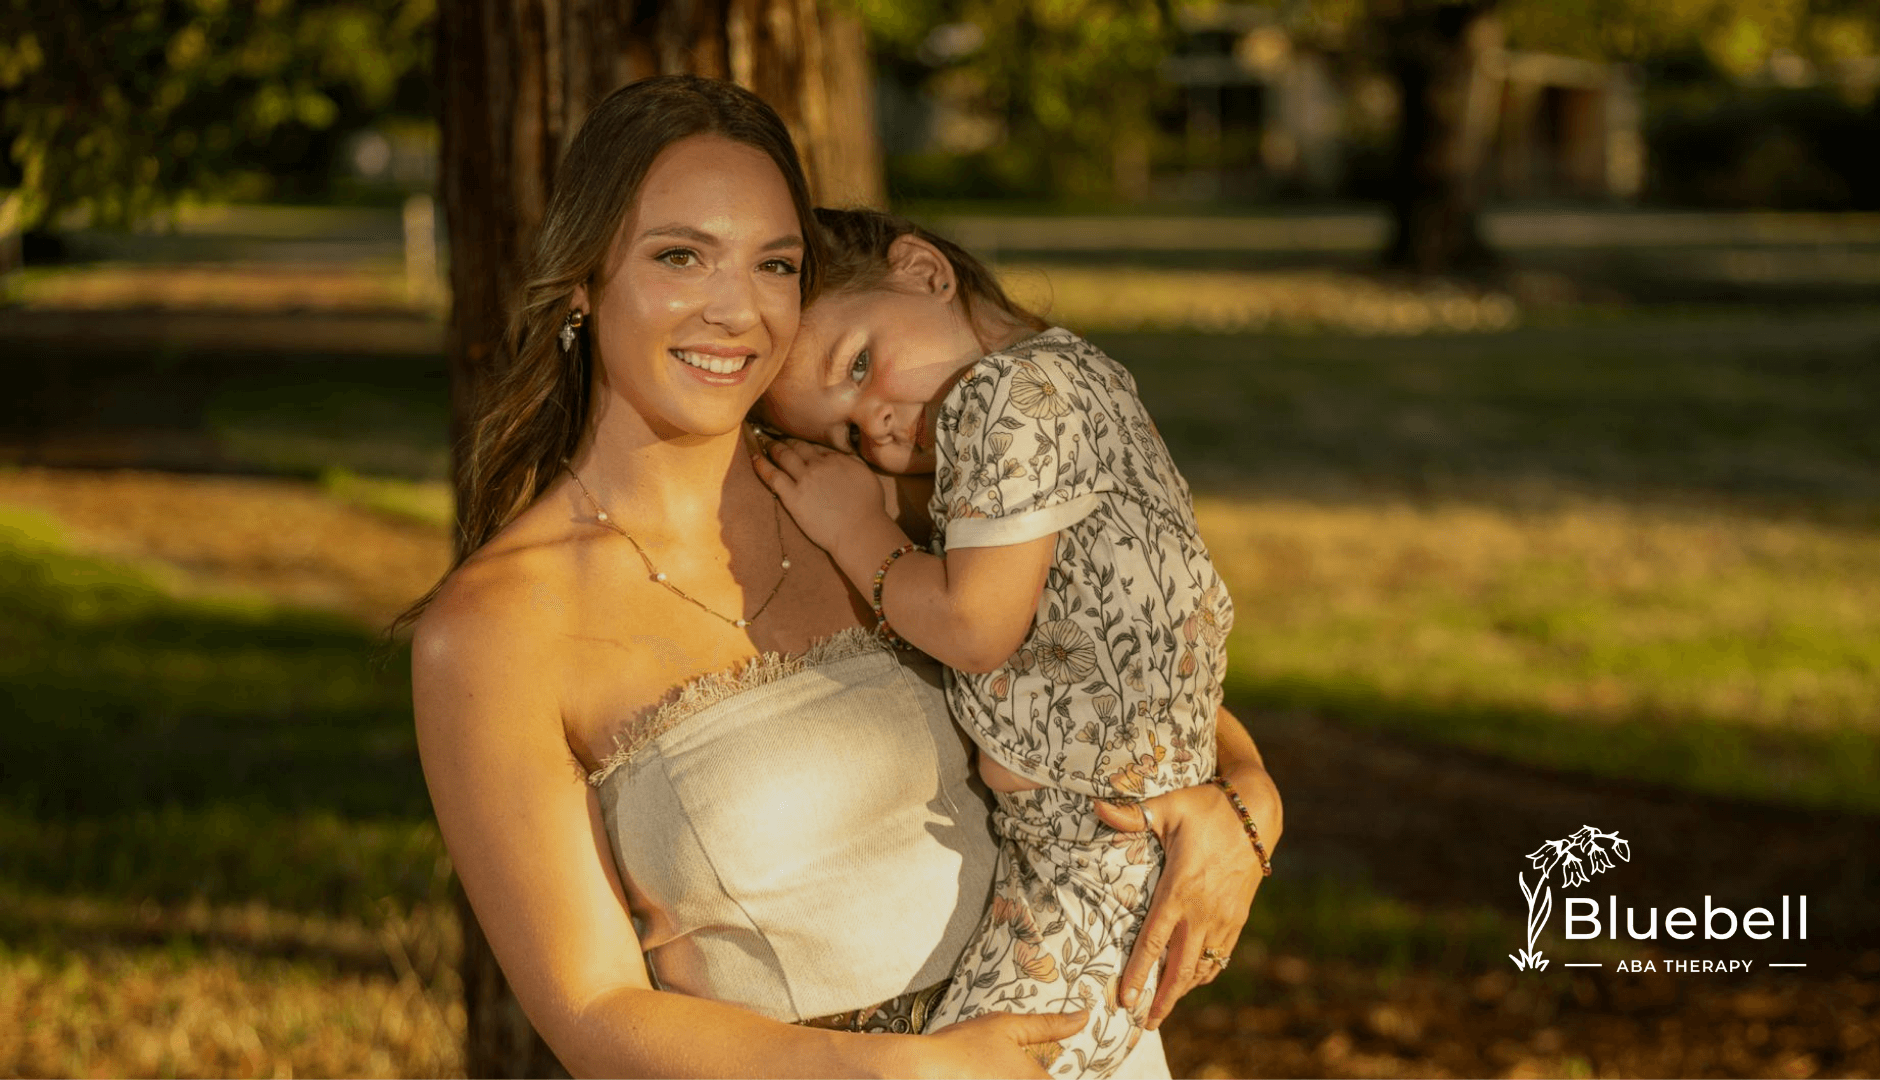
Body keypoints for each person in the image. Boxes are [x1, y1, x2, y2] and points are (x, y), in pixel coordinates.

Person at [408, 75, 1280, 1079]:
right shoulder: (495, 630)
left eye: (774, 264)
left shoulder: (869, 499)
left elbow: (1133, 667)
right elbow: (594, 1014)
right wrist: (906, 1073)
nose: (735, 309)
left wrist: (1247, 808)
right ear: (583, 281)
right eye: (681, 255)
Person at [754, 209, 1260, 1077]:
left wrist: (857, 536)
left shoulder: (1000, 399)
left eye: (861, 365)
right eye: (842, 432)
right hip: (1127, 838)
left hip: (1088, 844)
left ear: (923, 270)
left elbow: (977, 630)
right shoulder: (1085, 374)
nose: (875, 425)